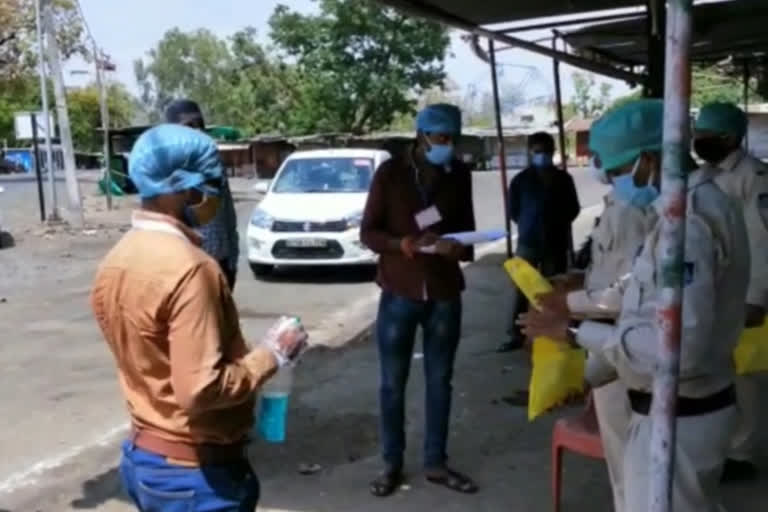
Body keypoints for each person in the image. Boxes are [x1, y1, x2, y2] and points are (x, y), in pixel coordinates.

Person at [520, 99, 750, 512]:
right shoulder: (685, 210)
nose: (612, 183)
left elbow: (678, 349)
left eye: (617, 173)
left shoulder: (689, 224)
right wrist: (581, 348)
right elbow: (642, 298)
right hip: (676, 411)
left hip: (681, 414)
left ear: (647, 160)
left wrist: (573, 333)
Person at [90, 124, 308, 512]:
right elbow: (199, 389)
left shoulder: (118, 258)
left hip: (147, 457)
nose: (215, 195)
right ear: (181, 188)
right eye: (211, 183)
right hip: (195, 475)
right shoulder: (191, 270)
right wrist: (271, 355)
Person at [537, 110, 659, 512]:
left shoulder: (641, 213)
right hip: (609, 341)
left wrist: (567, 310)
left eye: (616, 164)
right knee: (626, 462)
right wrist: (577, 281)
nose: (605, 171)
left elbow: (629, 291)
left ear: (648, 158)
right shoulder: (622, 202)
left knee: (631, 466)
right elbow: (610, 270)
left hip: (627, 346)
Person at [360, 104, 478, 497]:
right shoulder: (391, 174)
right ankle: (391, 464)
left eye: (452, 139)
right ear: (421, 135)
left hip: (444, 292)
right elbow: (368, 233)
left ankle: (436, 463)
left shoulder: (458, 174)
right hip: (399, 290)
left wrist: (456, 249)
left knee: (440, 381)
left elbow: (468, 235)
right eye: (441, 138)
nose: (448, 146)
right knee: (392, 384)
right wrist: (402, 244)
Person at [694, 101, 768, 482]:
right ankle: (721, 445)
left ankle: (742, 452)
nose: (699, 140)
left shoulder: (753, 178)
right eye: (698, 132)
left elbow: (762, 241)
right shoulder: (704, 174)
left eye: (708, 134)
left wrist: (757, 297)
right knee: (719, 369)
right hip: (715, 288)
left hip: (745, 293)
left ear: (731, 137)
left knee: (746, 375)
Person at [499, 132, 580, 352]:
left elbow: (573, 208)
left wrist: (558, 224)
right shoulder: (521, 180)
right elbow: (513, 211)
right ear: (529, 152)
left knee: (551, 289)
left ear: (552, 152)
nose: (541, 155)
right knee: (522, 290)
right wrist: (529, 224)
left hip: (555, 242)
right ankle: (516, 335)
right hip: (528, 241)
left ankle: (548, 332)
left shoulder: (564, 179)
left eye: (545, 151)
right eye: (537, 151)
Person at [165, 99, 240, 291]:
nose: (197, 130)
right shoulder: (167, 169)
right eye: (189, 126)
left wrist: (232, 263)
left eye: (200, 125)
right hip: (189, 268)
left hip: (221, 265)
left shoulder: (213, 162)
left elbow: (228, 214)